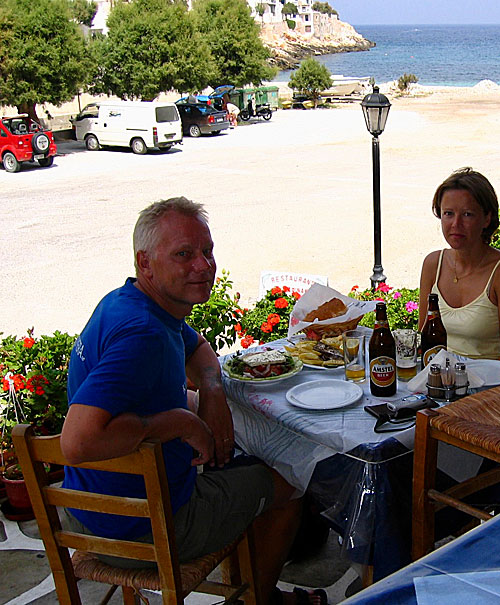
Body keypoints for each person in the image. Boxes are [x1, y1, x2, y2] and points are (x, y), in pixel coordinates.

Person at [60, 197, 325, 605]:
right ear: (145, 263)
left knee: (242, 461)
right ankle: (259, 599)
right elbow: (77, 442)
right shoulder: (143, 336)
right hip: (142, 525)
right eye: (184, 255)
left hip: (89, 510)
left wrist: (213, 391)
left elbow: (197, 348)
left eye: (207, 251)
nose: (203, 266)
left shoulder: (132, 302)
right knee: (290, 479)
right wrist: (180, 423)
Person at [418, 168, 500, 367]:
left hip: (488, 387)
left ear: (486, 219)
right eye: (448, 214)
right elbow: (424, 340)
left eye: (468, 214)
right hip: (437, 384)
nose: (456, 224)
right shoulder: (433, 264)